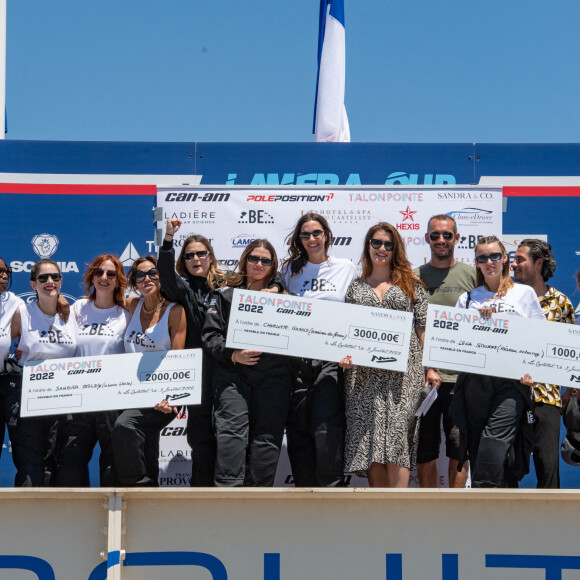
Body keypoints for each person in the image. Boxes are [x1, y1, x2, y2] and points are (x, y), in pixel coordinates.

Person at [338, 222, 436, 487]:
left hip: (405, 373)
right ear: (368, 246)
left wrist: (430, 367)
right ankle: (378, 515)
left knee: (396, 438)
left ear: (396, 250)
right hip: (364, 376)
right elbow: (347, 331)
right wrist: (345, 356)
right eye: (376, 243)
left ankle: (398, 511)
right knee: (370, 440)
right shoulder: (355, 288)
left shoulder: (412, 285)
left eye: (388, 245)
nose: (381, 249)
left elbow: (423, 329)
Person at [452, 235, 545, 488]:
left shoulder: (524, 293)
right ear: (477, 263)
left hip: (511, 384)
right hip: (475, 384)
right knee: (478, 445)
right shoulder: (468, 299)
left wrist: (531, 371)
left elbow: (540, 337)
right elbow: (457, 344)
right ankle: (501, 515)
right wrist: (477, 324)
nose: (489, 262)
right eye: (482, 258)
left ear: (505, 258)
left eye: (494, 256)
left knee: (494, 445)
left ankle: (485, 503)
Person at [202, 240, 293, 486]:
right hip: (233, 375)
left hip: (274, 377)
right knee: (231, 435)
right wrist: (233, 355)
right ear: (244, 260)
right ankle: (229, 499)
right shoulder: (224, 294)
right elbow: (210, 336)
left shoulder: (286, 299)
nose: (258, 264)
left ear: (273, 265)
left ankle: (258, 502)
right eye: (254, 258)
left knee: (267, 439)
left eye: (265, 260)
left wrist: (278, 290)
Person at [282, 212, 358, 487]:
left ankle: (331, 495)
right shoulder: (289, 271)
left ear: (326, 235)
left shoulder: (346, 268)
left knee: (327, 430)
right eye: (305, 235)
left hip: (331, 359)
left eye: (316, 233)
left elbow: (357, 313)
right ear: (299, 240)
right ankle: (304, 499)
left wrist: (352, 351)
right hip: (297, 361)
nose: (312, 239)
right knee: (299, 431)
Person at [159, 221, 227, 486]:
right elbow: (165, 274)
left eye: (201, 253)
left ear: (211, 256)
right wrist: (168, 239)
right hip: (197, 375)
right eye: (189, 255)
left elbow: (264, 275)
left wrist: (276, 287)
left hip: (229, 372)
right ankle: (200, 497)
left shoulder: (230, 284)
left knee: (229, 436)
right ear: (183, 262)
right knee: (200, 439)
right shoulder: (183, 290)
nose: (196, 259)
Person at [56, 255, 131, 487]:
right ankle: (73, 518)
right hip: (79, 398)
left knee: (111, 463)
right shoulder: (79, 307)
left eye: (111, 274)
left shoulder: (126, 314)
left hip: (111, 399)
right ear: (92, 276)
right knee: (70, 462)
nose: (104, 278)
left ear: (118, 280)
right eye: (99, 273)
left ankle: (112, 517)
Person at [111, 256, 186, 486]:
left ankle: (139, 485)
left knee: (125, 426)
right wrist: (64, 302)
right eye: (140, 275)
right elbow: (98, 301)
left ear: (161, 277)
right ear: (134, 282)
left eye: (153, 273)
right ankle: (150, 495)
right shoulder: (133, 305)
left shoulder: (175, 311)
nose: (147, 279)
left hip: (162, 394)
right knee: (146, 443)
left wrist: (170, 396)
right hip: (131, 392)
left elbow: (177, 357)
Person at [415, 214, 475, 488]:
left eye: (447, 235)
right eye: (435, 235)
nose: (441, 240)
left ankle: (456, 513)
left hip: (462, 379)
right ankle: (428, 513)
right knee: (425, 449)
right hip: (423, 378)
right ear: (427, 238)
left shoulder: (473, 275)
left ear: (457, 238)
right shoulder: (415, 277)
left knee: (458, 449)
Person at [9, 259, 77, 486]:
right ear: (32, 284)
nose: (50, 281)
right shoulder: (21, 314)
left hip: (67, 401)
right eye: (43, 278)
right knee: (33, 470)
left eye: (55, 277)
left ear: (61, 281)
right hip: (31, 402)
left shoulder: (72, 314)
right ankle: (28, 518)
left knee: (64, 466)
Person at [512, 238, 574, 488]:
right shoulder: (504, 299)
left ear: (538, 263)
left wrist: (569, 391)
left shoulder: (561, 303)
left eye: (520, 259)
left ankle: (551, 526)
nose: (513, 264)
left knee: (548, 470)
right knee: (508, 467)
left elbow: (571, 352)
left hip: (547, 398)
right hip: (509, 395)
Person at [0, 258, 24, 461]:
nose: (5, 275)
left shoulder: (14, 302)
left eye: (7, 271)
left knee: (22, 445)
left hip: (6, 382)